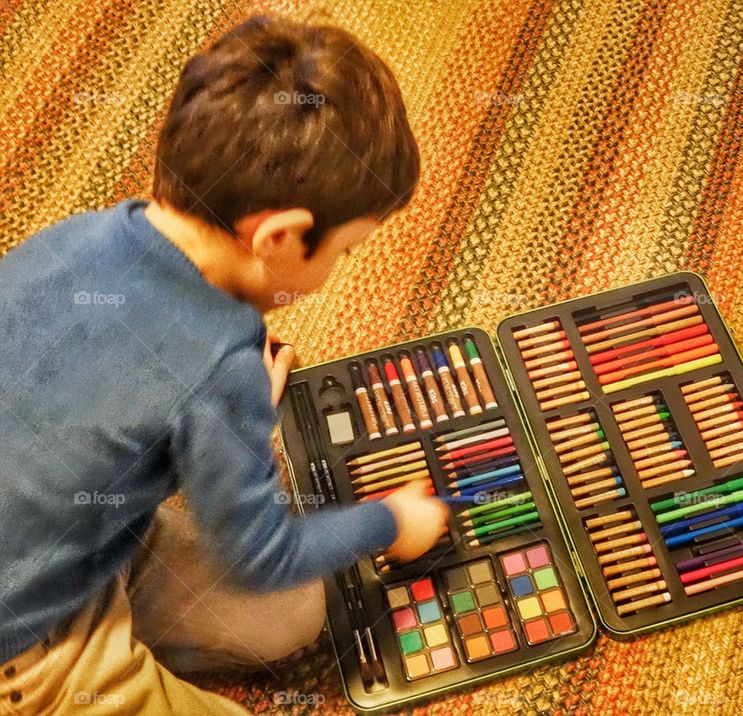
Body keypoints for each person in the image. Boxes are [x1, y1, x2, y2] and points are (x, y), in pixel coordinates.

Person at [0, 15, 448, 714]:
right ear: (279, 236)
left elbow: (90, 378)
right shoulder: (217, 368)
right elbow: (259, 558)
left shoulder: (83, 235)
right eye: (347, 251)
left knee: (293, 616)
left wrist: (219, 421)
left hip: (52, 533)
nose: (343, 267)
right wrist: (391, 520)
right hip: (24, 648)